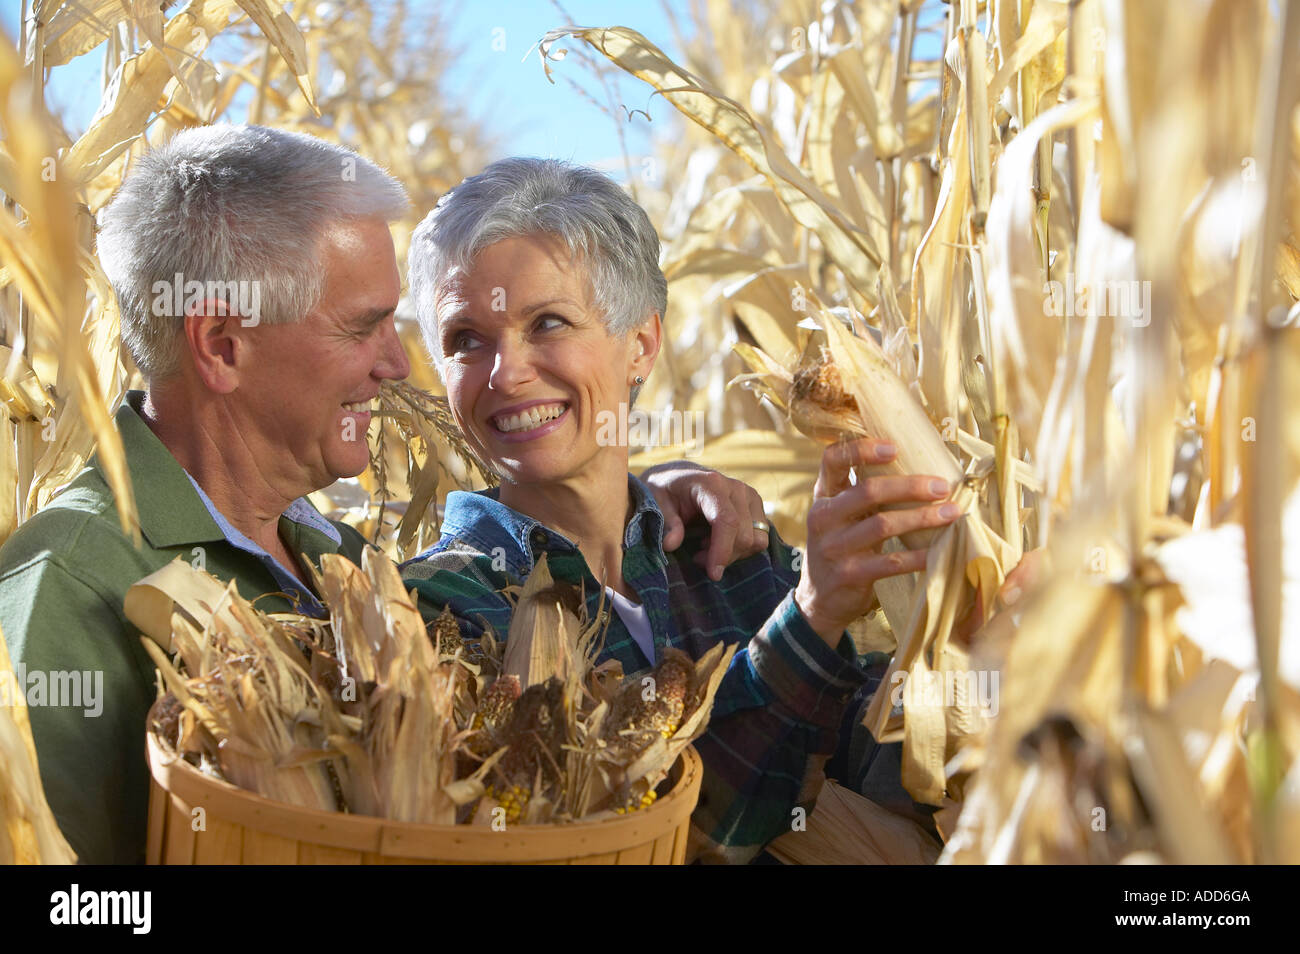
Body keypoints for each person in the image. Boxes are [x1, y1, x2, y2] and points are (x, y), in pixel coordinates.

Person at [0, 126, 774, 864]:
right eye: (362, 328)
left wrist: (655, 484)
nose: (398, 367)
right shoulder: (65, 587)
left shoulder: (345, 564)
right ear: (222, 346)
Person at [401, 157, 964, 863]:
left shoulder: (732, 558)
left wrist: (963, 653)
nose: (505, 373)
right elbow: (657, 840)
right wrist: (815, 616)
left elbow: (861, 762)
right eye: (465, 339)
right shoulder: (436, 609)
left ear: (641, 345)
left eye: (547, 323)